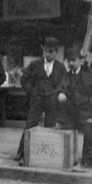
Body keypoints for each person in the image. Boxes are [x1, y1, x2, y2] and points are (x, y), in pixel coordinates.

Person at [14, 36, 67, 164]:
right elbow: (24, 79)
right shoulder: (35, 65)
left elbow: (65, 83)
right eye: (45, 51)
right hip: (37, 99)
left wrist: (60, 93)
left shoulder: (60, 68)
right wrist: (32, 92)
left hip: (52, 100)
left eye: (51, 52)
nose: (47, 54)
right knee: (30, 124)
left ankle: (46, 155)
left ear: (56, 52)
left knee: (50, 127)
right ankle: (21, 152)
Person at [62, 47, 92, 172]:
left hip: (88, 111)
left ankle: (87, 162)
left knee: (89, 131)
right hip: (72, 112)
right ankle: (65, 159)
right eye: (69, 61)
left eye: (73, 60)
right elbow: (61, 87)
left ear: (80, 61)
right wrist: (60, 94)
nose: (71, 63)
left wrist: (91, 101)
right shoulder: (67, 76)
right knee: (62, 131)